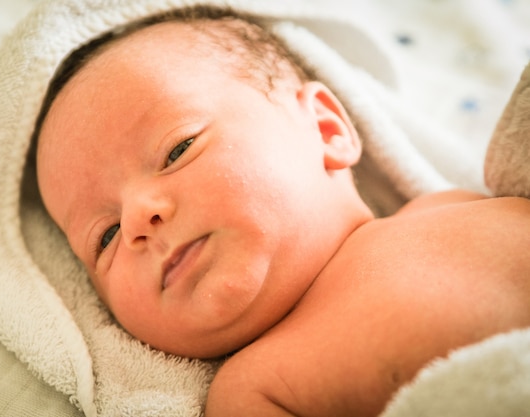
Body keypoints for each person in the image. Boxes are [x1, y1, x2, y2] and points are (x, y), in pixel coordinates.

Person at [34, 5, 530, 416]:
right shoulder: (254, 390)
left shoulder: (453, 206)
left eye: (177, 150)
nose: (139, 218)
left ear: (326, 129)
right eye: (106, 235)